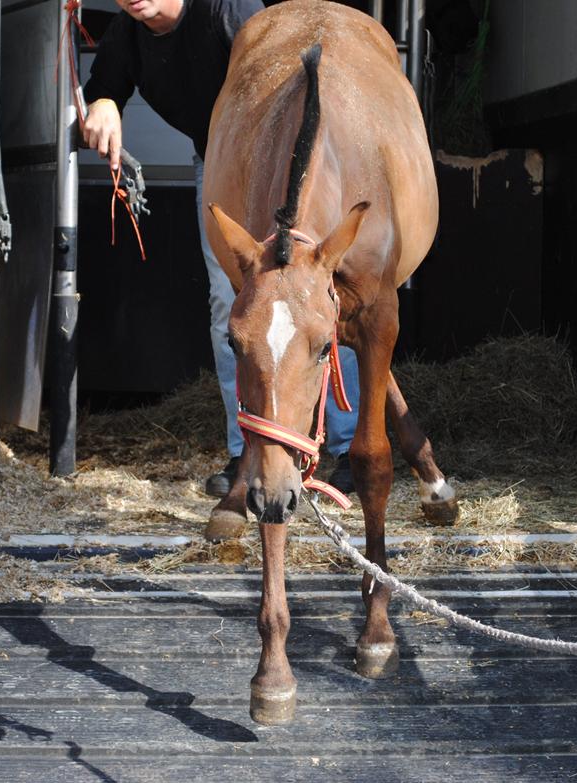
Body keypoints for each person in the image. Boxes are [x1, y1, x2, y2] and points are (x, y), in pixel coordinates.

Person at [81, 0, 361, 522]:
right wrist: (104, 103)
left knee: (318, 298)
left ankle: (339, 449)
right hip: (222, 165)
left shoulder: (227, 10)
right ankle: (246, 450)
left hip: (285, 165)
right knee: (228, 303)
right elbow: (105, 83)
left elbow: (285, 70)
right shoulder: (128, 34)